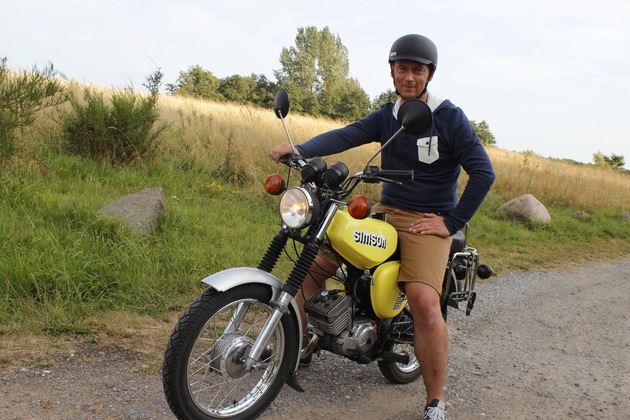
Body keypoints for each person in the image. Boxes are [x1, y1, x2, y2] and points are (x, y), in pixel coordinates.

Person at [269, 34, 495, 420]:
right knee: (314, 267)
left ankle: (435, 400)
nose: (409, 77)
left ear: (430, 75)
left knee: (424, 302)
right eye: (402, 68)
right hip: (386, 209)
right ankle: (300, 345)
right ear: (392, 71)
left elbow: (483, 172)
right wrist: (302, 149)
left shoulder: (449, 117)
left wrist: (450, 222)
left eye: (417, 70)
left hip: (427, 219)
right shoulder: (388, 115)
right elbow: (347, 134)